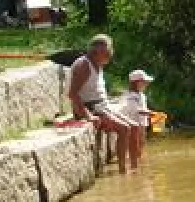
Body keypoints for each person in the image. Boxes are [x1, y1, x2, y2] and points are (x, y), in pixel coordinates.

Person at [67, 34, 141, 174]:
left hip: (101, 107)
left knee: (135, 126)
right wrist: (88, 116)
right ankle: (122, 171)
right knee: (125, 129)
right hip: (90, 109)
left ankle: (135, 168)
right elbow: (72, 94)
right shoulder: (84, 65)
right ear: (97, 51)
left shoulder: (97, 63)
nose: (110, 54)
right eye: (107, 52)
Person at [120, 69, 159, 159]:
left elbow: (143, 109)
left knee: (141, 143)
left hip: (142, 125)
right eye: (144, 82)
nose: (147, 84)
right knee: (134, 145)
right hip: (134, 126)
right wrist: (151, 113)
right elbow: (136, 109)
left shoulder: (141, 95)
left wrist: (150, 116)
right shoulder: (130, 96)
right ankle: (132, 162)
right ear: (136, 83)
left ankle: (139, 161)